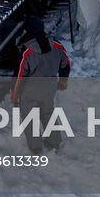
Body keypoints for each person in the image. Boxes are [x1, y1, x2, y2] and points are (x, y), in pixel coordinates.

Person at [11, 17, 72, 154]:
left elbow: (20, 75)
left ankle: (35, 146)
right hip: (50, 84)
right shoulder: (57, 46)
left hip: (31, 86)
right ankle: (54, 141)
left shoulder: (26, 50)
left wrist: (15, 95)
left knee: (29, 115)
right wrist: (63, 79)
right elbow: (66, 64)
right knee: (48, 112)